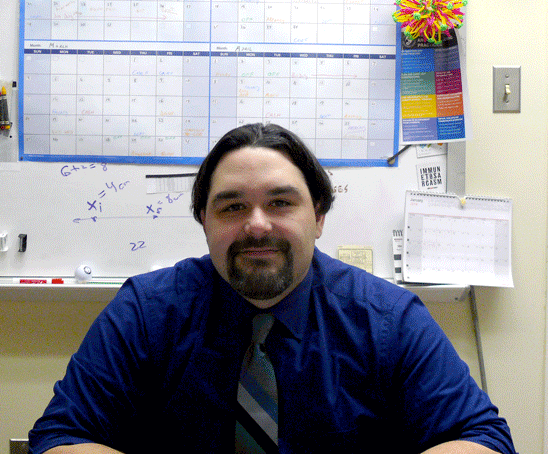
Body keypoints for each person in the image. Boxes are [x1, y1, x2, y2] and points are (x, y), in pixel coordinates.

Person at [29, 123, 518, 454]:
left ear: (319, 216)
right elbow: (61, 437)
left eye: (281, 203)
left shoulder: (387, 320)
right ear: (204, 221)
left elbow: (482, 438)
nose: (256, 226)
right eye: (232, 207)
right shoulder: (147, 313)